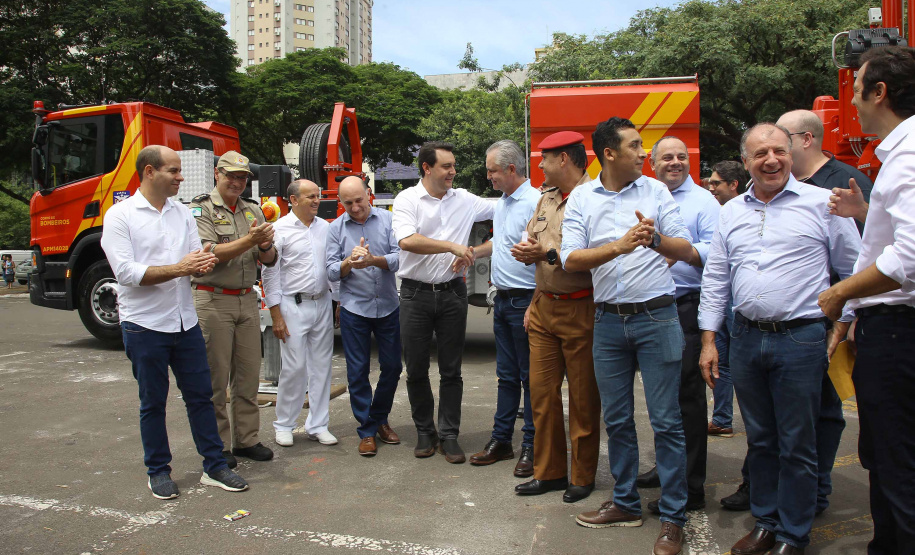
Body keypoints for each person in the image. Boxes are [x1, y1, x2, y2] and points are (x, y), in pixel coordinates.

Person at [699, 123, 860, 555]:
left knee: (797, 443)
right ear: (745, 161)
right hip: (747, 339)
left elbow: (853, 271)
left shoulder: (822, 204)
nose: (771, 160)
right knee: (763, 441)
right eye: (760, 154)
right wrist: (709, 340)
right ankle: (766, 523)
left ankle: (793, 534)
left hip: (801, 339)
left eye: (778, 151)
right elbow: (716, 278)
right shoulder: (731, 211)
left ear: (791, 153)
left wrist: (840, 329)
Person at [563, 117, 696, 555]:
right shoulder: (582, 197)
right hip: (606, 323)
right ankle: (625, 502)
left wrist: (653, 238)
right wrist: (620, 245)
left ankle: (673, 516)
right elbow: (570, 259)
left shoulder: (657, 192)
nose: (645, 153)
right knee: (617, 419)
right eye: (636, 146)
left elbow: (687, 250)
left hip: (658, 317)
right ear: (610, 153)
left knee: (666, 421)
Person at [100, 145, 249, 500]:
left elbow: (199, 255)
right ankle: (158, 471)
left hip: (185, 322)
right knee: (153, 401)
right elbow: (125, 272)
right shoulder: (120, 216)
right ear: (149, 172)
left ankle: (214, 465)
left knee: (201, 396)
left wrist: (203, 263)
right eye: (173, 171)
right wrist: (182, 268)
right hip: (145, 325)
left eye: (180, 170)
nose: (180, 177)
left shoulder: (182, 213)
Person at [818, 45, 915, 555]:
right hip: (887, 327)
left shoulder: (909, 153)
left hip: (900, 333)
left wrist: (840, 293)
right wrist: (864, 213)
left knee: (898, 463)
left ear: (880, 92)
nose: (851, 102)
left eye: (855, 90)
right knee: (883, 455)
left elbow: (910, 257)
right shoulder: (895, 157)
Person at [511, 131, 601, 504]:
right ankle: (548, 472)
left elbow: (592, 254)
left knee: (583, 400)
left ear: (564, 159)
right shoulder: (546, 199)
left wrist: (544, 251)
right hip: (545, 306)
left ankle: (581, 476)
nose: (540, 165)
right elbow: (539, 252)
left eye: (545, 158)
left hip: (583, 306)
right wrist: (534, 301)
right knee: (542, 396)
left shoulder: (596, 198)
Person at [392, 141, 494, 464]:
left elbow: (507, 209)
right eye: (446, 166)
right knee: (416, 368)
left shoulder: (465, 199)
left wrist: (477, 251)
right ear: (427, 168)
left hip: (452, 294)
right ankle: (425, 431)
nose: (453, 172)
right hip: (414, 294)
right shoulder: (407, 199)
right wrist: (452, 246)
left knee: (452, 370)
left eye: (453, 166)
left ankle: (449, 434)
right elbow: (407, 240)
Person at [636, 136, 720, 516]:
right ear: (653, 163)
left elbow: (716, 253)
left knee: (687, 400)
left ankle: (690, 488)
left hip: (685, 306)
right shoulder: (645, 196)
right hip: (649, 308)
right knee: (662, 399)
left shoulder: (703, 201)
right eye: (667, 157)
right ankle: (669, 469)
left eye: (682, 157)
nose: (675, 162)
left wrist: (674, 252)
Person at [190, 151, 276, 468]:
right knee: (215, 377)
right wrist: (251, 239)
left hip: (245, 298)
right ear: (217, 174)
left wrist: (266, 245)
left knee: (248, 375)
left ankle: (247, 439)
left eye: (242, 178)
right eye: (231, 176)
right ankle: (218, 445)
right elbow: (208, 252)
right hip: (213, 299)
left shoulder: (253, 210)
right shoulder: (201, 209)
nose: (237, 182)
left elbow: (268, 260)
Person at [465, 140, 538, 477]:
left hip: (526, 300)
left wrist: (535, 303)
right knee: (507, 376)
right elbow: (502, 243)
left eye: (492, 170)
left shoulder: (535, 202)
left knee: (530, 379)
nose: (488, 175)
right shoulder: (505, 203)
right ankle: (502, 441)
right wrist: (473, 253)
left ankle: (532, 447)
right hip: (505, 299)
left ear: (511, 169)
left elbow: (541, 254)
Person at [326, 176, 402, 457]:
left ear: (369, 194)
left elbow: (398, 258)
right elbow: (332, 270)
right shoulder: (335, 228)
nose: (356, 207)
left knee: (393, 366)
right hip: (354, 308)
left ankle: (380, 417)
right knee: (357, 372)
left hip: (388, 306)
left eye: (359, 200)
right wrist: (349, 262)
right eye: (348, 203)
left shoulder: (389, 220)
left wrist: (374, 261)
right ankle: (367, 430)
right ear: (340, 203)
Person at [261, 180, 336, 448]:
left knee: (322, 366)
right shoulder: (279, 230)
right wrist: (276, 315)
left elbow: (331, 266)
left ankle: (318, 424)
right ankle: (284, 425)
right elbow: (269, 273)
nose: (316, 201)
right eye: (310, 197)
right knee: (294, 367)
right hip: (292, 305)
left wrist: (336, 302)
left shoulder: (326, 228)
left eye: (317, 196)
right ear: (292, 200)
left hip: (322, 303)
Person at [705, 160, 751, 512]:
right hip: (724, 307)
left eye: (717, 182)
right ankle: (722, 418)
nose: (712, 187)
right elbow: (716, 272)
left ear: (734, 184)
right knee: (723, 365)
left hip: (747, 313)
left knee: (742, 376)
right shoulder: (726, 212)